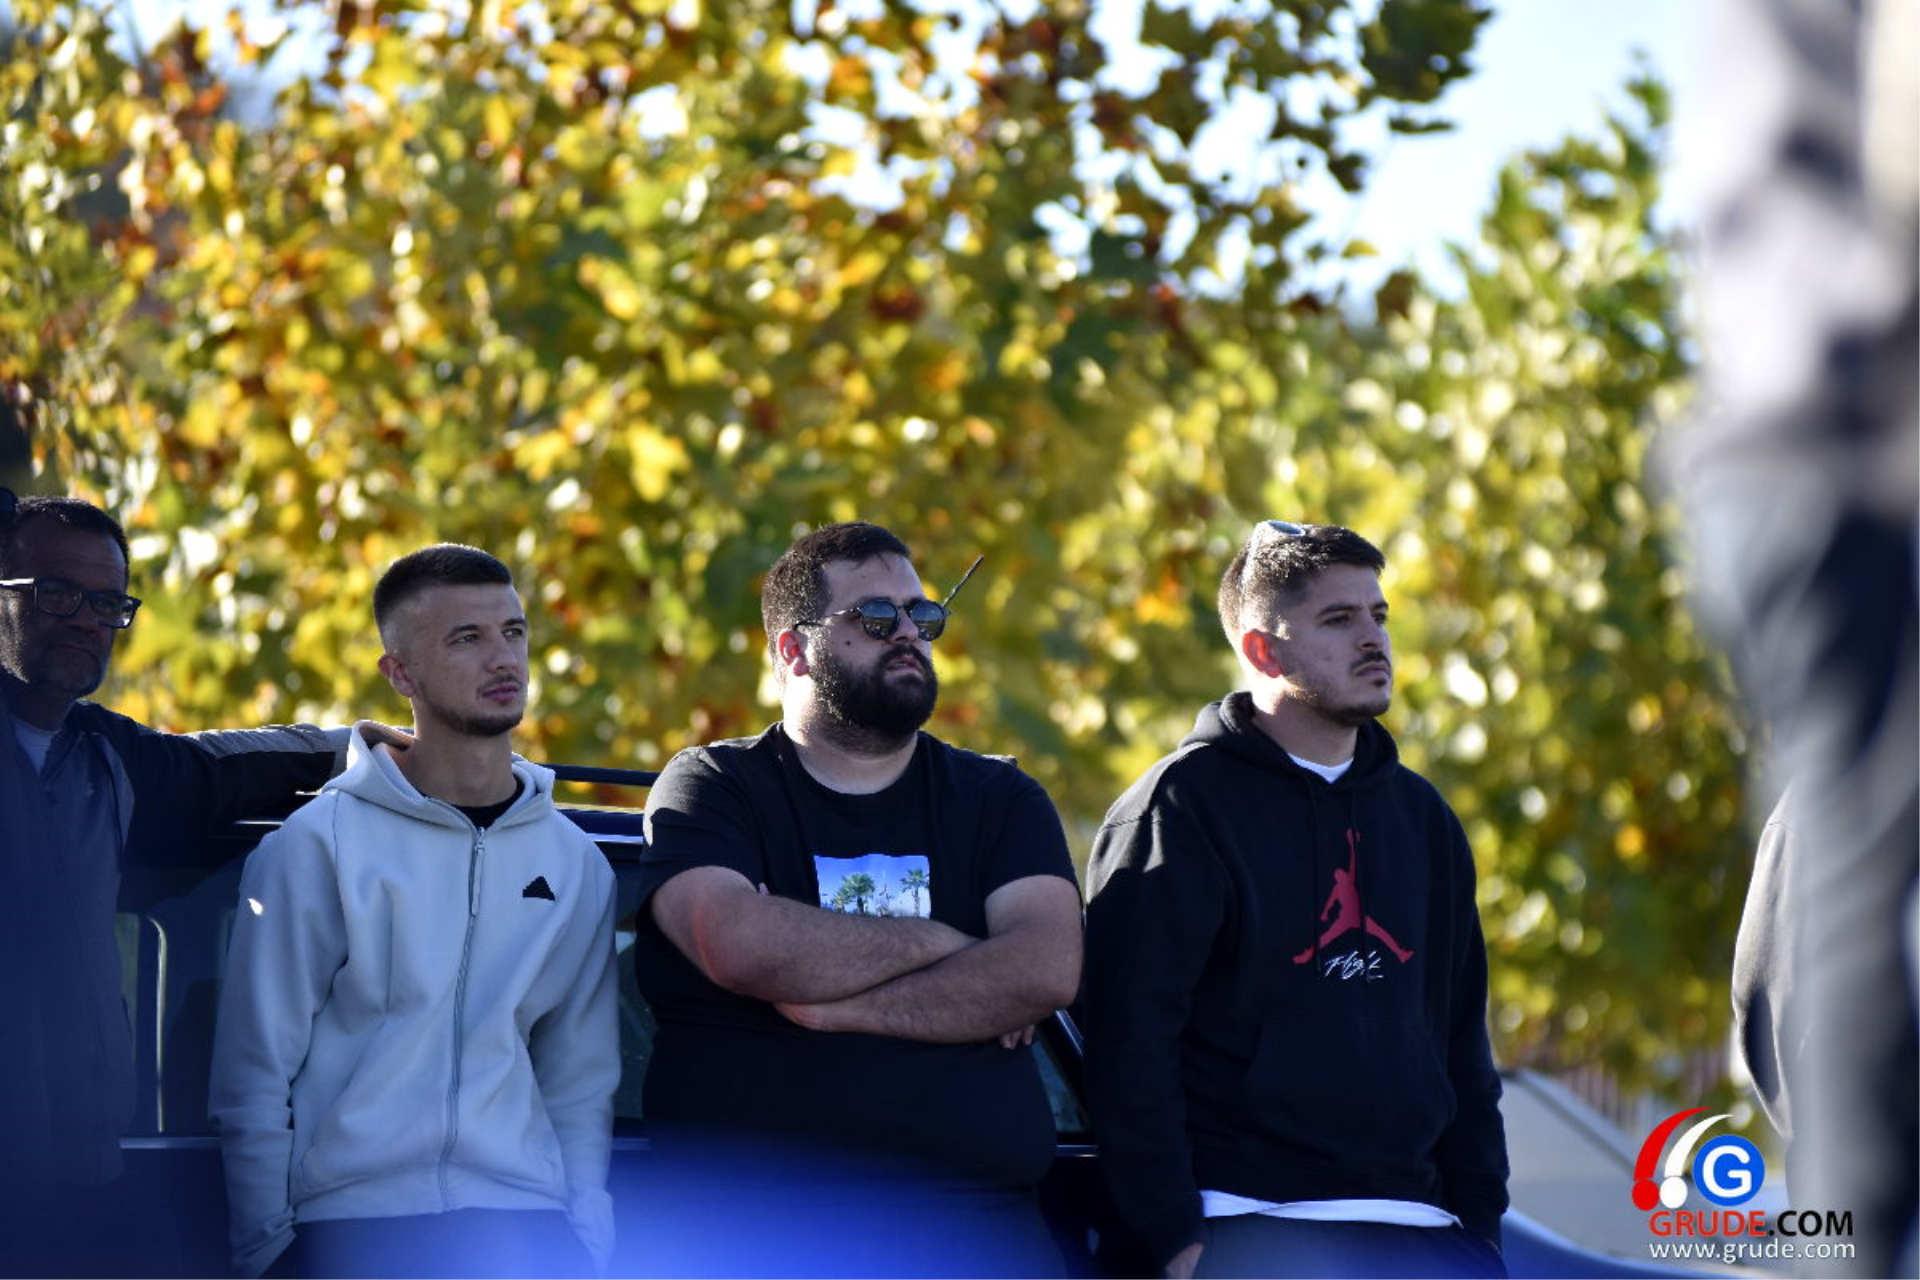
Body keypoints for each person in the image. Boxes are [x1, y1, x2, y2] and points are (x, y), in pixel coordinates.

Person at [631, 520, 1083, 1279]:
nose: (908, 633)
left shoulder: (1000, 797)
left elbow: (1045, 970)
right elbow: (738, 945)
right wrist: (954, 946)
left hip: (979, 1232)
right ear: (792, 649)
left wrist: (835, 1007)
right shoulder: (712, 787)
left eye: (923, 615)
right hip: (757, 1236)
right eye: (875, 617)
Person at [1080, 520, 1508, 1280]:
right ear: (1262, 651)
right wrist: (1172, 1236)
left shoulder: (1424, 817)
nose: (1373, 639)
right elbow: (1128, 1045)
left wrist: (1480, 1228)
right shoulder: (1179, 809)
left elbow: (1461, 1042)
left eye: (1378, 615)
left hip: (1423, 1228)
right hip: (1247, 1224)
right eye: (1338, 620)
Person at [210, 544, 619, 1280]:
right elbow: (254, 1071)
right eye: (467, 638)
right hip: (352, 1228)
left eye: (514, 632)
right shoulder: (318, 845)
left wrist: (586, 1235)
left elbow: (580, 1076)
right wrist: (265, 1250)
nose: (503, 658)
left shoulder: (575, 861)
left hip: (528, 1231)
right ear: (399, 673)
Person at [0, 489, 345, 1274]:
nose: (85, 621)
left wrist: (360, 748)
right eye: (55, 593)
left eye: (107, 604)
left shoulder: (105, 759)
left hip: (90, 1190)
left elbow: (223, 768)